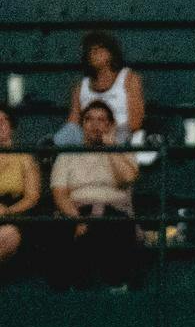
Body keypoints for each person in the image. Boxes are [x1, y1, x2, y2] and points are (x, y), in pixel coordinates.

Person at [50, 102, 140, 290]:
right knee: (59, 230)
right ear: (82, 125)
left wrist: (110, 147)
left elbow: (128, 178)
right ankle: (72, 289)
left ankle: (116, 285)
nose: (95, 125)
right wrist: (78, 219)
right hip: (76, 211)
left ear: (111, 125)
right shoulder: (67, 155)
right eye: (89, 120)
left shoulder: (123, 152)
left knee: (114, 227)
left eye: (101, 120)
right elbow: (59, 194)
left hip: (113, 212)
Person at [54, 30, 146, 147]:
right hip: (88, 139)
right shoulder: (81, 86)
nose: (93, 54)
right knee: (66, 135)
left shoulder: (129, 78)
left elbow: (136, 121)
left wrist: (111, 134)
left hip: (121, 136)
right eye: (90, 51)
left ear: (110, 52)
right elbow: (73, 123)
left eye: (98, 49)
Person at [0, 107, 45, 276]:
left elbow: (32, 197)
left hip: (16, 212)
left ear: (11, 126)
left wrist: (7, 211)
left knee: (6, 235)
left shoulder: (24, 157)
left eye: (3, 120)